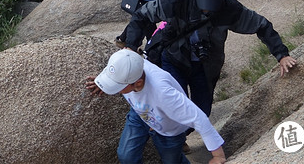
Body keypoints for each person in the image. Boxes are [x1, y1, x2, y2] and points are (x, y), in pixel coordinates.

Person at [118, 0, 297, 118]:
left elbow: (262, 25)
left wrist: (281, 55)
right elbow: (141, 15)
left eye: (213, 3)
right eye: (205, 2)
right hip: (174, 59)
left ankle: (181, 135)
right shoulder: (175, 1)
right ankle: (174, 142)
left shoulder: (228, 9)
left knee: (201, 112)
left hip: (205, 66)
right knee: (175, 105)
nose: (208, 8)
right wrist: (131, 46)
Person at [87, 49, 228, 164]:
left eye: (118, 86)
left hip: (169, 129)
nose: (116, 91)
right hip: (140, 114)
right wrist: (103, 83)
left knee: (172, 161)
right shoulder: (129, 63)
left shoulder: (164, 93)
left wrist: (218, 156)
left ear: (138, 83)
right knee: (126, 155)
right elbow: (125, 54)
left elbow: (199, 118)